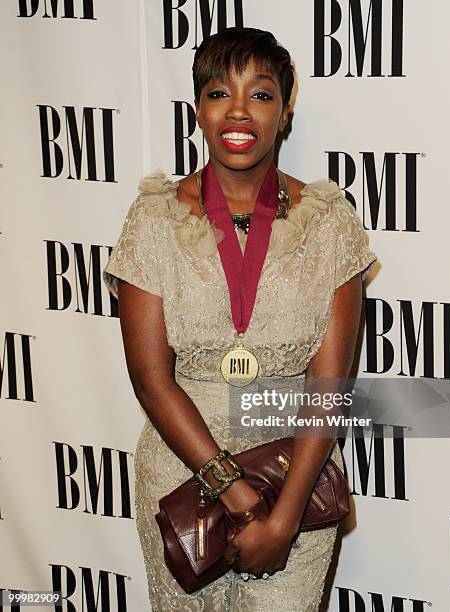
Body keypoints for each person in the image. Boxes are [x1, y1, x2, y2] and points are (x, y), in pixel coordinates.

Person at [103, 26, 377, 612]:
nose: (239, 111)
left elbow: (328, 389)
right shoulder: (152, 221)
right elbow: (151, 378)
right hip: (183, 476)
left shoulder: (331, 224)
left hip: (292, 477)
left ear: (285, 114)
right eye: (219, 92)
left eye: (261, 93)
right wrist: (237, 497)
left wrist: (281, 519)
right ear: (198, 111)